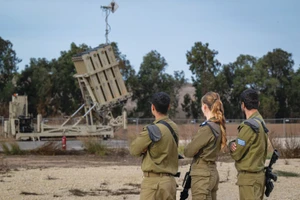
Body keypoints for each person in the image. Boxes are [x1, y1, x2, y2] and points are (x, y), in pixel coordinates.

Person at [130, 92, 179, 200]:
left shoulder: (151, 130)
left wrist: (145, 148)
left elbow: (134, 150)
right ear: (169, 107)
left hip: (153, 184)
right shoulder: (174, 127)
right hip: (169, 183)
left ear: (153, 107)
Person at [184, 91, 227, 200]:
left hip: (202, 175)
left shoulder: (207, 128)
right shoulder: (218, 125)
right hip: (212, 172)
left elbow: (188, 151)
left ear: (204, 107)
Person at [229, 88, 268, 200]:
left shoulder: (248, 126)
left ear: (243, 105)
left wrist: (230, 145)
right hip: (259, 176)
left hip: (249, 179)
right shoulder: (260, 121)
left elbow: (236, 153)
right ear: (258, 103)